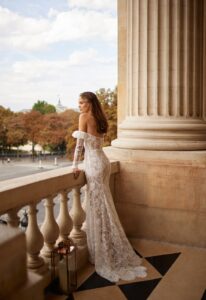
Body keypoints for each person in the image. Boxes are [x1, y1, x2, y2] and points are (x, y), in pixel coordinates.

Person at [72, 91, 147, 282]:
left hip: (94, 166)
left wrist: (74, 165)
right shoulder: (99, 117)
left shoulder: (84, 117)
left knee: (99, 208)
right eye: (79, 103)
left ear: (89, 103)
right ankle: (106, 248)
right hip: (103, 162)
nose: (79, 106)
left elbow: (80, 145)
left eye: (82, 102)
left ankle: (103, 253)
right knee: (103, 205)